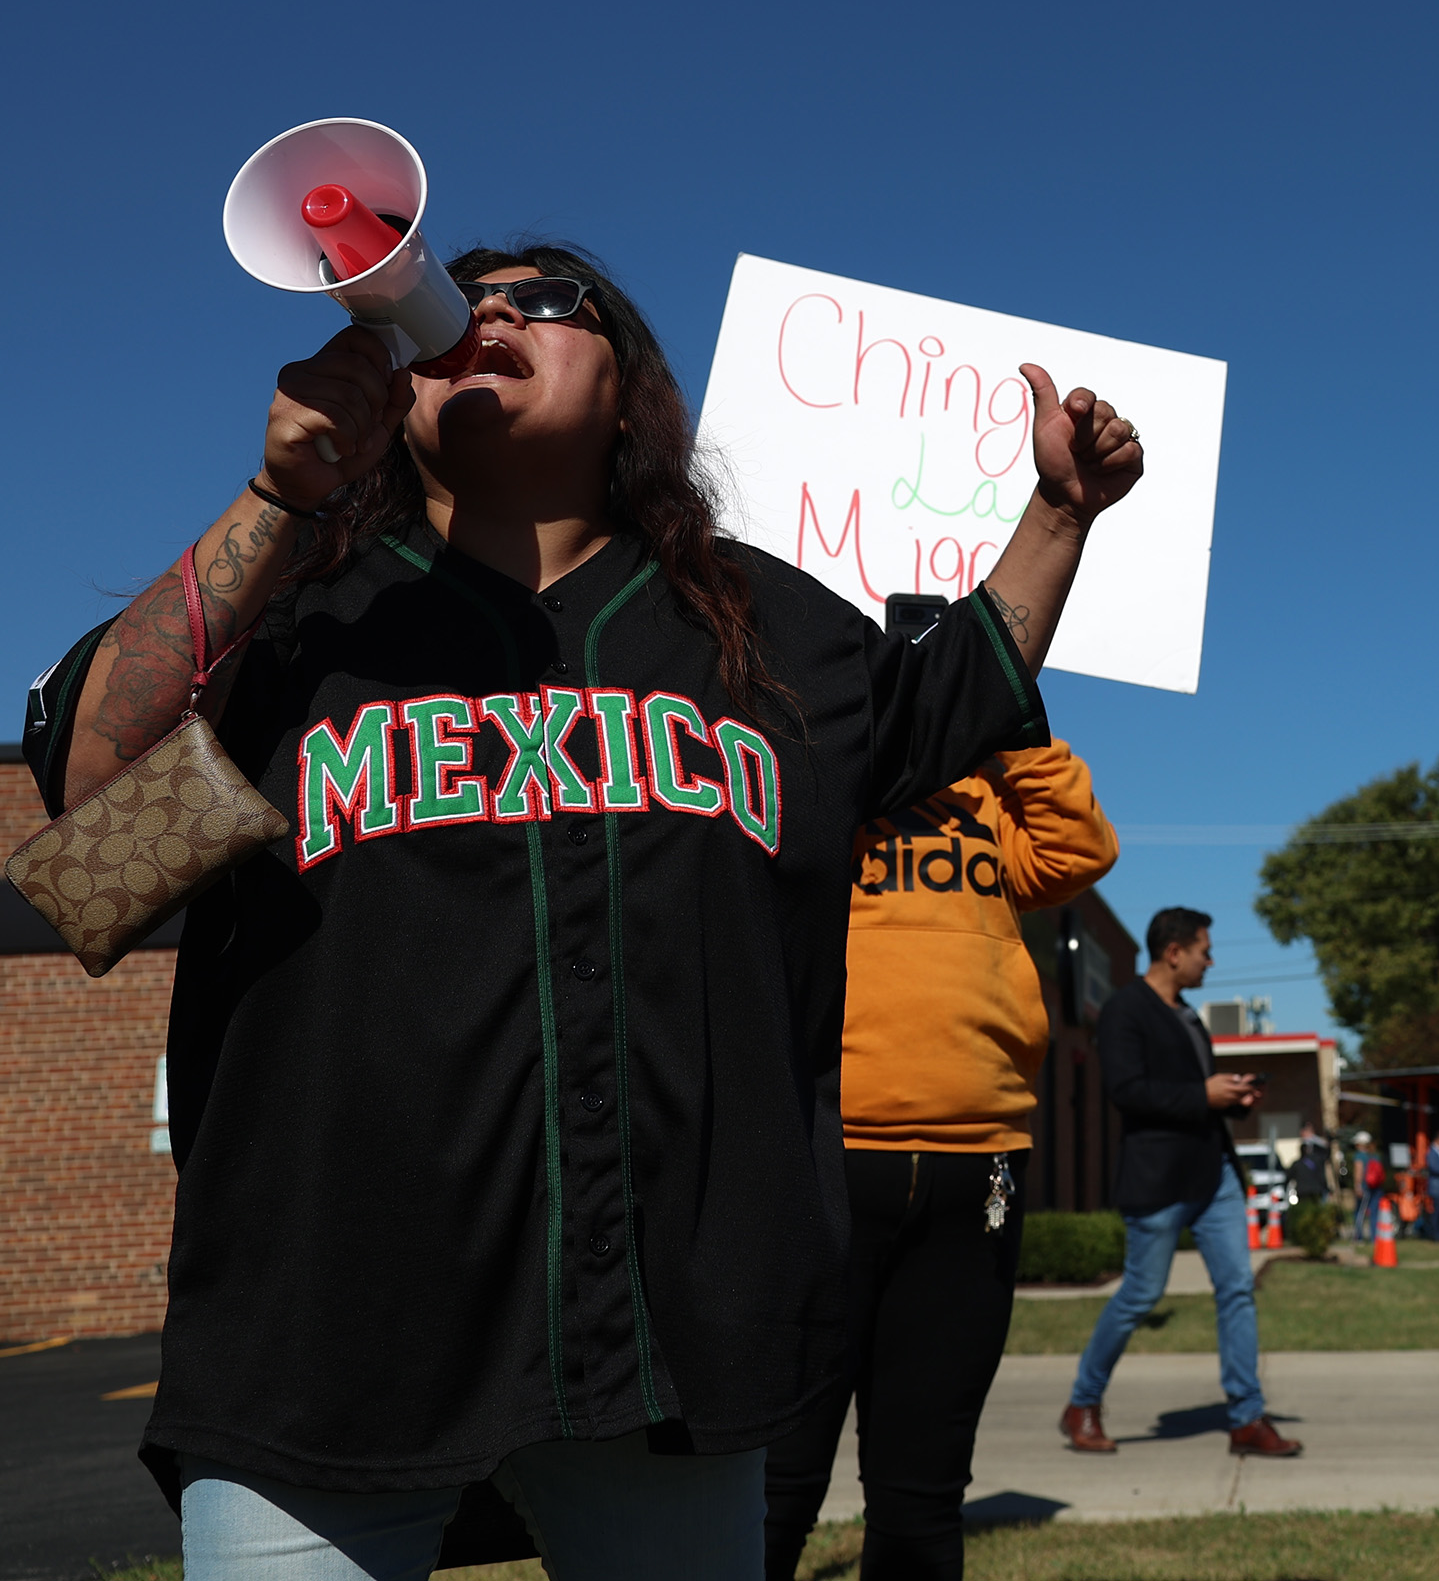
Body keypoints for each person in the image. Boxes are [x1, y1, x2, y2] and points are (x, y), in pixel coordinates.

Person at [24, 247, 1142, 1579]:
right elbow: (93, 800)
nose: (489, 309)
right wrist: (281, 495)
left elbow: (945, 698)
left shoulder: (755, 627)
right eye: (454, 295)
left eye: (547, 299)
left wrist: (1061, 512)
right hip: (324, 1329)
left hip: (664, 1336)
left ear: (631, 397)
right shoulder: (306, 620)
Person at [759, 732, 1120, 1581]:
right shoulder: (810, 763)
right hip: (823, 1159)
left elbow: (1079, 848)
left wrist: (1009, 722)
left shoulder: (990, 795)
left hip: (978, 1170)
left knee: (921, 1497)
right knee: (774, 1485)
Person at [1058, 910, 1301, 1459]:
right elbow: (1127, 1092)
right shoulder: (1124, 1010)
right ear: (1173, 952)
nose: (1209, 960)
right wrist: (1202, 1095)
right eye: (1204, 950)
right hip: (1158, 1179)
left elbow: (1196, 1094)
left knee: (1238, 1289)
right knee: (1140, 1296)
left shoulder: (1188, 1016)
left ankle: (1246, 1418)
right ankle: (1082, 1403)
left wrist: (1232, 1099)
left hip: (1214, 1173)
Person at [1349, 1132, 1382, 1242]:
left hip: (1365, 1187)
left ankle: (1358, 1237)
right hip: (1376, 1187)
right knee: (1374, 1213)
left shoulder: (1359, 1156)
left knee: (1359, 1212)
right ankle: (1375, 1238)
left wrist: (1357, 1186)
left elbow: (1359, 1172)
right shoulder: (1375, 1155)